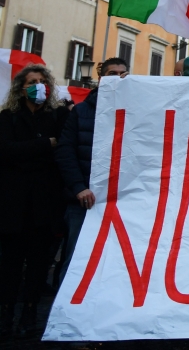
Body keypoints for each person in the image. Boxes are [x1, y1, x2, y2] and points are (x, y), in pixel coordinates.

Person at [0, 65, 70, 336]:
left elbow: (60, 148)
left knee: (39, 262)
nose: (39, 86)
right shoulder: (8, 117)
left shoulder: (59, 115)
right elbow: (5, 151)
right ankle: (7, 313)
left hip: (45, 203)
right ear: (21, 88)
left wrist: (28, 150)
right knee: (11, 263)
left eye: (42, 81)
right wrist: (44, 144)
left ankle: (29, 312)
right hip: (13, 203)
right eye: (32, 82)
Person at [53, 57, 128, 287]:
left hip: (123, 203)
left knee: (116, 261)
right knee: (77, 259)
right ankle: (65, 315)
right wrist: (79, 188)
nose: (118, 78)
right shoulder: (81, 112)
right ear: (101, 78)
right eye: (112, 74)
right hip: (85, 203)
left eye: (123, 74)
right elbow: (65, 152)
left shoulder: (138, 110)